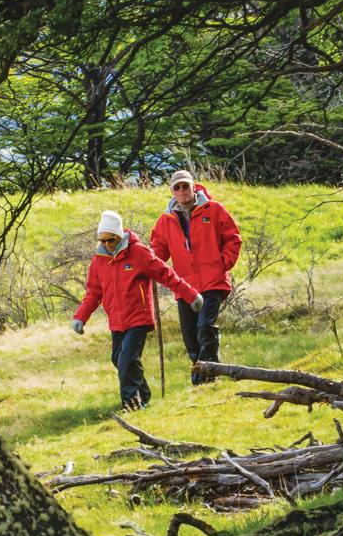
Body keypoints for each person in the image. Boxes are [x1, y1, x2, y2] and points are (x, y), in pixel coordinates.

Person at [72, 210, 202, 411]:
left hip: (138, 318)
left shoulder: (139, 252)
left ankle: (131, 404)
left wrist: (191, 295)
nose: (106, 244)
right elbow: (93, 293)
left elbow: (166, 275)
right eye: (102, 240)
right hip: (116, 319)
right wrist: (80, 317)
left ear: (119, 235)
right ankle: (144, 394)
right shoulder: (99, 260)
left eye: (110, 240)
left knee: (127, 360)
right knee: (118, 359)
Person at [150, 170, 243, 385]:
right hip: (184, 286)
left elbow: (233, 239)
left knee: (204, 327)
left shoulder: (215, 209)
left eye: (185, 186)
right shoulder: (165, 220)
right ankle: (199, 373)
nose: (182, 190)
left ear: (193, 186)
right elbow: (158, 250)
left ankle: (209, 375)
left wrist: (222, 264)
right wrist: (149, 263)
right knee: (190, 335)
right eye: (177, 187)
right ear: (172, 191)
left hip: (213, 281)